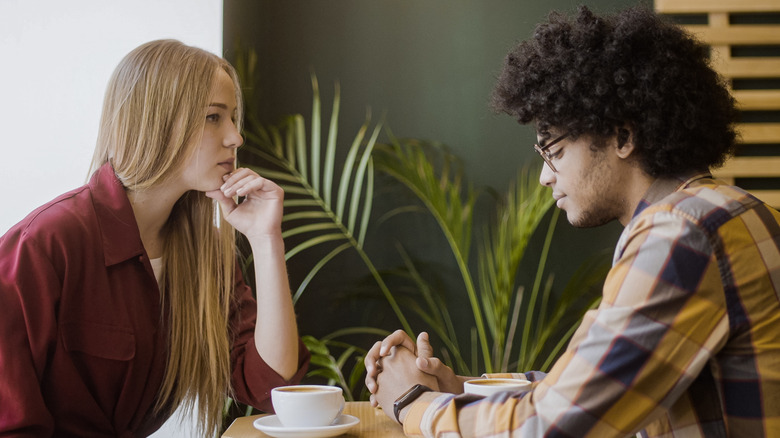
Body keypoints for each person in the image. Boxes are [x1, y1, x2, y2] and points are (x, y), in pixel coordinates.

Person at [365, 5, 780, 437]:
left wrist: (413, 402)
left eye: (554, 151)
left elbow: (550, 427)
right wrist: (457, 389)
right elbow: (595, 391)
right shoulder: (740, 212)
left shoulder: (681, 234)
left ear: (622, 136)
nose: (545, 177)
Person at [0, 39, 310, 437]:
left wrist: (267, 240)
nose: (236, 137)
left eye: (233, 118)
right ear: (158, 121)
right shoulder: (44, 245)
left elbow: (272, 387)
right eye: (214, 117)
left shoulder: (207, 256)